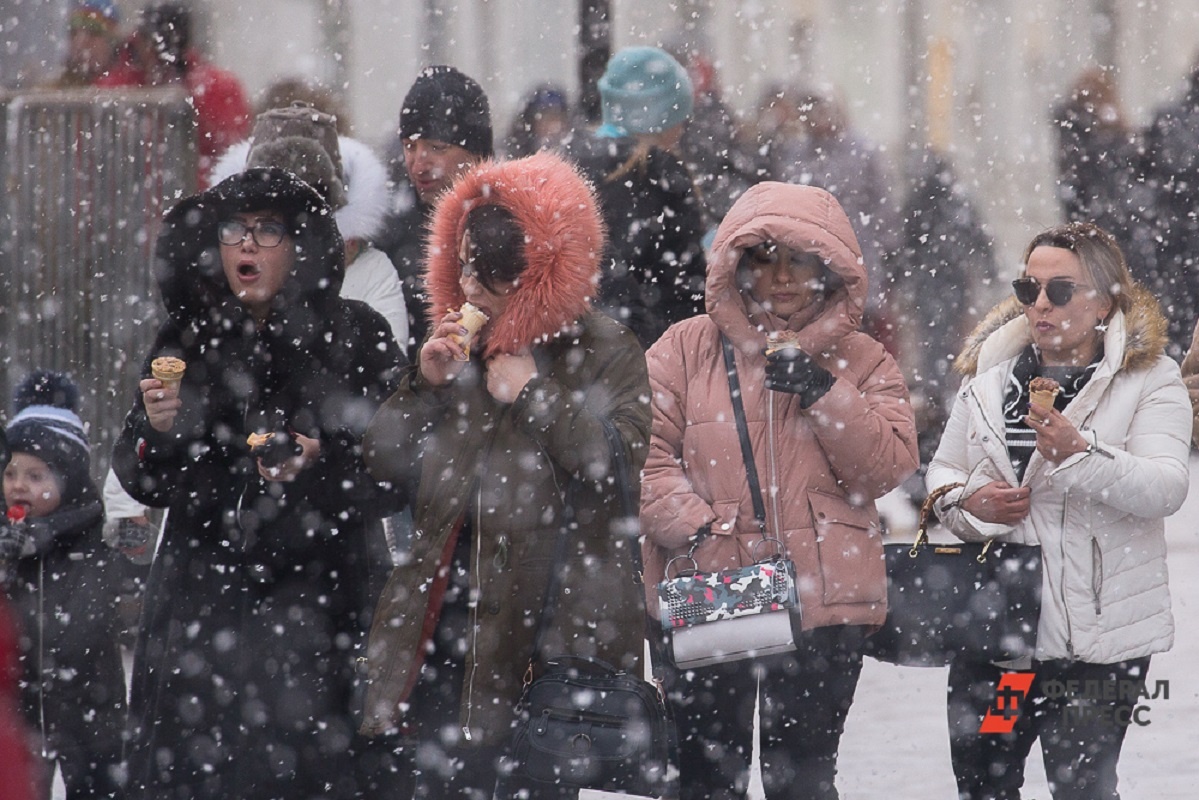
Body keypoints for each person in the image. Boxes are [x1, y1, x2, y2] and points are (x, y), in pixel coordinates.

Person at [357, 151, 652, 799]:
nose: (468, 287)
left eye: (488, 271)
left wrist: (534, 395)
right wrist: (423, 386)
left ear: (540, 269)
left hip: (544, 641)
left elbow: (618, 469)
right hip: (443, 626)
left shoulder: (607, 348)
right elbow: (380, 464)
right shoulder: (457, 347)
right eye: (462, 264)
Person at [111, 166, 403, 799]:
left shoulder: (356, 335)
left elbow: (402, 468)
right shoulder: (187, 338)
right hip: (203, 614)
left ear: (300, 245)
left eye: (268, 230)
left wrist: (320, 465)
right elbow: (141, 475)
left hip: (323, 608)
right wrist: (158, 430)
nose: (246, 244)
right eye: (233, 229)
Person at [640, 182, 919, 800]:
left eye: (801, 259)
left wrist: (824, 391)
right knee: (706, 782)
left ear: (829, 268)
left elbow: (886, 467)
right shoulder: (685, 349)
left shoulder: (864, 359)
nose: (784, 276)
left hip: (823, 602)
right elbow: (644, 455)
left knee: (804, 782)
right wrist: (698, 527)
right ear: (738, 266)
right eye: (765, 258)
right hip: (709, 590)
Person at [925, 222, 1191, 800]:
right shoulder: (989, 381)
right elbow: (942, 472)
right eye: (1029, 289)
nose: (1040, 304)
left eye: (1061, 290)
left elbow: (1166, 488)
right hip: (1003, 646)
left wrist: (1081, 454)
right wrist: (971, 503)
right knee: (984, 782)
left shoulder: (1148, 380)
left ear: (1105, 302)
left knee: (1081, 788)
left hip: (1096, 652)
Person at [2, 371, 126, 799]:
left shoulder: (95, 538)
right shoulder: (5, 540)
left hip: (90, 707)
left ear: (68, 482)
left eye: (36, 477)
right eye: (10, 473)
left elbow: (118, 603)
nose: (18, 485)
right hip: (19, 708)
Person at [568, 46, 708, 348]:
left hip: (576, 343)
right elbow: (684, 284)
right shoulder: (660, 175)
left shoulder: (568, 161)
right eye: (679, 117)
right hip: (651, 346)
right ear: (663, 119)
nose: (682, 128)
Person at [374, 66, 493, 362]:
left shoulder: (519, 228)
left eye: (437, 147)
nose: (418, 165)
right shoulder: (388, 243)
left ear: (477, 153)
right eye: (409, 146)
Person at [98, 2, 252, 187]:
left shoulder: (214, 87)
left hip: (188, 192)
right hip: (132, 190)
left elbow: (227, 149)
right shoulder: (121, 84)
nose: (146, 51)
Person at [1142, 57, 1199, 357]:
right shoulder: (1169, 119)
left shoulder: (1168, 118)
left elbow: (1145, 176)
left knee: (1177, 332)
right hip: (1177, 243)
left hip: (1172, 245)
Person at [45, 0, 122, 88]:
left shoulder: (126, 84)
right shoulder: (53, 86)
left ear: (111, 40)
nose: (80, 43)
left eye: (93, 33)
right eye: (74, 33)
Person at [503, 83, 571, 158]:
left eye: (559, 117)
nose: (555, 125)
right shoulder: (510, 154)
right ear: (531, 123)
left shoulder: (575, 153)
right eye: (547, 118)